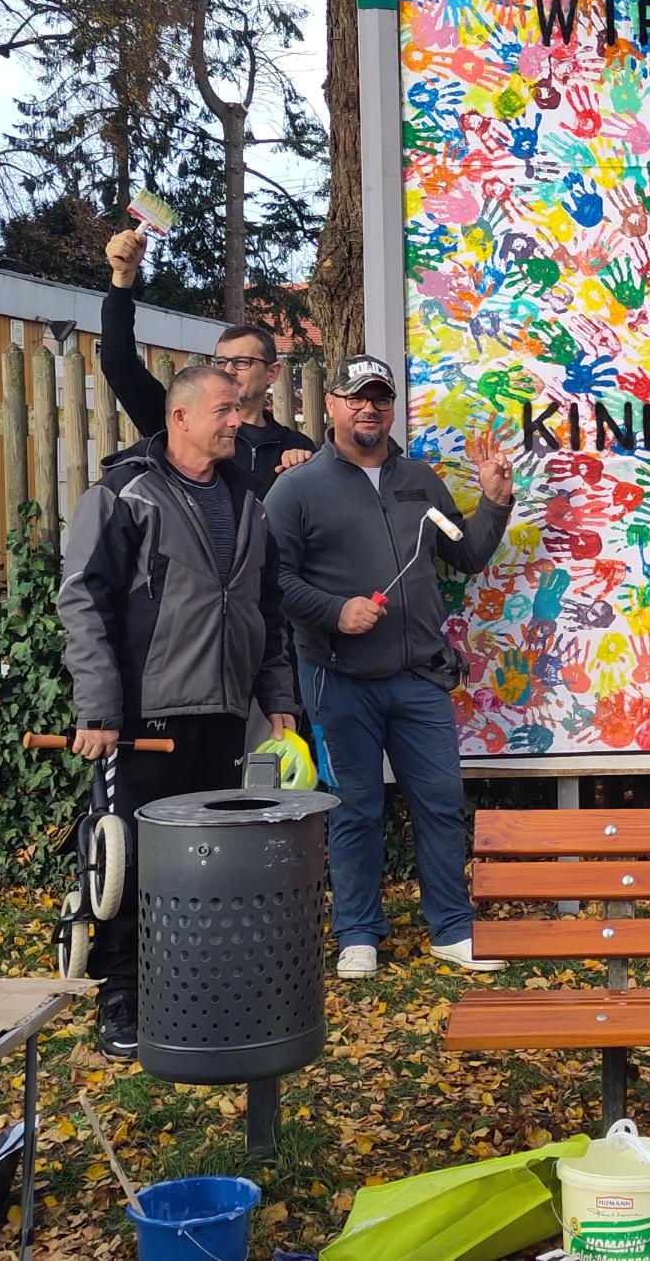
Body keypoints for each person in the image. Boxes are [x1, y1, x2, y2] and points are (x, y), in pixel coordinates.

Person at [58, 365, 299, 1058]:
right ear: (182, 417)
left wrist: (276, 700)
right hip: (141, 719)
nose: (238, 421)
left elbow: (268, 609)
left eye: (240, 410)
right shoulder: (124, 493)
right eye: (225, 410)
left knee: (203, 860)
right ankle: (122, 994)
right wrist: (98, 707)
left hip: (223, 712)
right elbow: (83, 599)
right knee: (130, 857)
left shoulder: (250, 500)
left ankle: (190, 982)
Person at [265, 355, 513, 980]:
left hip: (420, 678)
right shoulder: (297, 488)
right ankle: (357, 933)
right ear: (332, 405)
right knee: (354, 808)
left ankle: (452, 928)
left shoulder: (419, 480)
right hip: (336, 677)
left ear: (391, 406)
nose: (368, 408)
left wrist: (493, 503)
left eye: (379, 397)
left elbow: (467, 556)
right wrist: (333, 611)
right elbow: (273, 581)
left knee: (438, 801)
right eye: (355, 397)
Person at [101, 227, 316, 479]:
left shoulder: (296, 447)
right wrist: (122, 281)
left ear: (272, 372)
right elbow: (119, 366)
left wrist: (300, 470)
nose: (228, 370)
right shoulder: (184, 424)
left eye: (242, 362)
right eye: (221, 361)